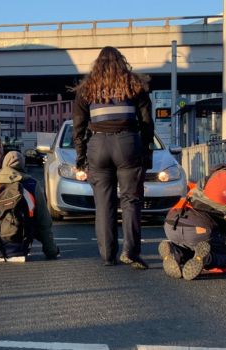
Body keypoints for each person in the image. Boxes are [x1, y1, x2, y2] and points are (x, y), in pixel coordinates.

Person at [72, 46, 154, 269]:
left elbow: (78, 128)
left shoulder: (87, 88)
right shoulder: (134, 85)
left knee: (103, 204)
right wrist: (146, 151)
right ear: (122, 63)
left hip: (98, 145)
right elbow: (147, 123)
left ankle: (108, 256)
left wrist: (81, 158)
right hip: (128, 143)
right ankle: (131, 252)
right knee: (130, 200)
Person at [158, 156, 226, 280]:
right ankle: (206, 259)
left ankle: (176, 252)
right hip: (200, 229)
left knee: (195, 248)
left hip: (173, 223)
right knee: (223, 256)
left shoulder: (211, 177)